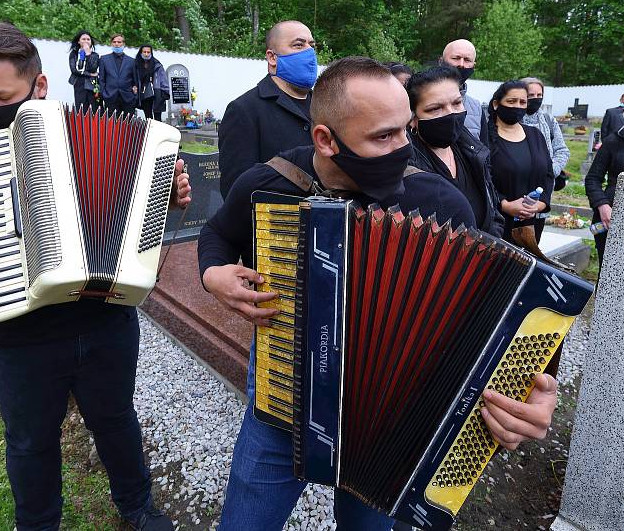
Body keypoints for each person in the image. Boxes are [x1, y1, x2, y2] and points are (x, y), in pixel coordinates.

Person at [198, 56, 558, 530]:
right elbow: (218, 234)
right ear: (325, 139)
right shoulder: (271, 184)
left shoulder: (436, 201)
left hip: (392, 411)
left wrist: (536, 383)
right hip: (284, 389)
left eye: (405, 130)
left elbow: (494, 305)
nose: (403, 150)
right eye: (383, 137)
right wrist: (213, 275)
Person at [0, 23, 190, 531]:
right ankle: (37, 523)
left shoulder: (96, 133)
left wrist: (167, 198)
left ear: (40, 87)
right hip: (11, 332)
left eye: (0, 96)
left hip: (104, 318)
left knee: (116, 421)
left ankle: (138, 507)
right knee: (30, 439)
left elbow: (138, 223)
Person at [218, 20, 316, 199]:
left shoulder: (325, 105)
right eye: (298, 45)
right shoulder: (243, 110)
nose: (309, 52)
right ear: (272, 57)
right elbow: (237, 193)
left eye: (312, 45)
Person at [407, 66, 504, 236]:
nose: (451, 114)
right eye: (435, 108)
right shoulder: (406, 167)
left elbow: (493, 213)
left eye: (457, 103)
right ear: (413, 119)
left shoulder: (475, 152)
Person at [487, 80, 554, 243]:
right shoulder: (485, 138)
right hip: (498, 224)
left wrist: (540, 204)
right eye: (511, 101)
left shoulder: (535, 135)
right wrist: (505, 205)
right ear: (496, 104)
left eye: (522, 102)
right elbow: (483, 179)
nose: (517, 106)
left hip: (532, 223)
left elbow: (548, 174)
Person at [585, 107, 624, 270]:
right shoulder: (614, 141)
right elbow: (593, 178)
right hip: (610, 216)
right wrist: (602, 205)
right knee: (609, 272)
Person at [521, 77, 570, 189]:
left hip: (544, 185)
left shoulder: (549, 120)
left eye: (539, 95)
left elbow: (561, 150)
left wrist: (551, 171)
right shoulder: (512, 119)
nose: (536, 99)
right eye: (531, 95)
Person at [441, 38, 487, 144]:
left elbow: (484, 152)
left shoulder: (477, 108)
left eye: (467, 60)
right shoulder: (420, 98)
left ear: (473, 65)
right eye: (456, 58)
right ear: (441, 61)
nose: (461, 64)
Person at [98, 33, 137, 116]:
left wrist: (134, 95)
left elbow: (135, 80)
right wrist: (104, 94)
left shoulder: (132, 61)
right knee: (112, 125)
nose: (116, 44)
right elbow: (101, 79)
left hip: (128, 97)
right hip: (110, 97)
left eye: (119, 42)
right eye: (114, 42)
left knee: (127, 124)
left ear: (124, 44)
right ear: (111, 43)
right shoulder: (104, 59)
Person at [68, 30, 100, 110]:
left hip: (92, 86)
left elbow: (92, 68)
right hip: (79, 83)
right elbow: (74, 70)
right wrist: (89, 74)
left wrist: (88, 54)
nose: (86, 41)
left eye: (88, 39)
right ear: (79, 41)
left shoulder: (95, 55)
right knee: (81, 108)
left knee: (93, 109)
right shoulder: (74, 53)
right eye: (83, 39)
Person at [134, 45, 168, 121]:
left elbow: (163, 78)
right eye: (144, 52)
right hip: (144, 93)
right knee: (148, 116)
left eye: (148, 52)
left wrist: (165, 92)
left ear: (151, 53)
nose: (146, 54)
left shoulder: (157, 64)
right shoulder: (136, 64)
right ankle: (150, 131)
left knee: (158, 116)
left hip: (157, 92)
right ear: (141, 52)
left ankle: (158, 132)